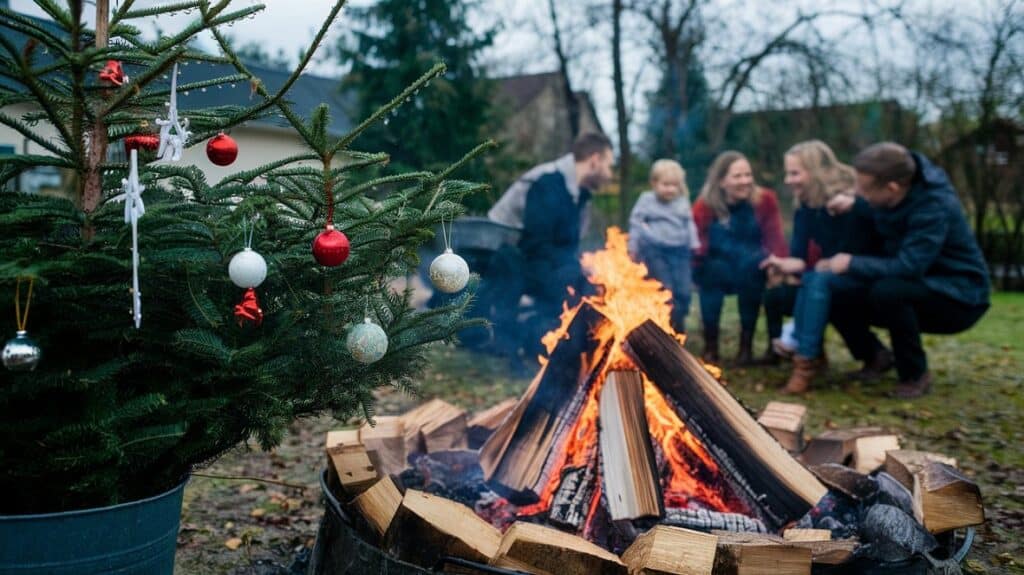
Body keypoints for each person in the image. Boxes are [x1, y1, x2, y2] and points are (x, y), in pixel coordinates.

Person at [818, 142, 990, 398]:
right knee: (836, 288)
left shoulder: (934, 207)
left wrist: (851, 262)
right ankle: (876, 356)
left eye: (863, 189)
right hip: (923, 283)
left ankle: (914, 374)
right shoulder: (897, 193)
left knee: (888, 291)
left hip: (959, 295)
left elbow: (909, 266)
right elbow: (886, 207)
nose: (858, 192)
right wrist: (854, 203)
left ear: (893, 187)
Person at [759, 140, 882, 393]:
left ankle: (804, 361)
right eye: (788, 173)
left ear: (815, 172)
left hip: (871, 272)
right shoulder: (805, 208)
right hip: (831, 277)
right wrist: (780, 264)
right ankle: (806, 351)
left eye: (795, 173)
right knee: (808, 280)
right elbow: (800, 258)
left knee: (817, 280)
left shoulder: (855, 197)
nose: (788, 180)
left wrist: (857, 204)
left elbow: (887, 226)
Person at [480, 133, 615, 359]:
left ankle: (579, 347)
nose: (610, 174)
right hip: (512, 258)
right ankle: (532, 339)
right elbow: (536, 243)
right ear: (594, 160)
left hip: (545, 263)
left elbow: (567, 245)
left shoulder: (580, 195)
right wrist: (574, 269)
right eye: (609, 165)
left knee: (592, 284)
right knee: (574, 283)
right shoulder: (547, 182)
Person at [692, 151, 787, 364]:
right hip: (717, 267)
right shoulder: (705, 205)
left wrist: (776, 264)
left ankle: (746, 348)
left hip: (751, 264)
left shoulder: (765, 200)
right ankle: (711, 347)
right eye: (737, 176)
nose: (745, 181)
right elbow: (696, 242)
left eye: (748, 175)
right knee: (712, 273)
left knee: (752, 269)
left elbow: (775, 237)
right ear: (721, 181)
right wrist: (694, 270)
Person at [628, 159, 701, 334]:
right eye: (665, 184)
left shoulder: (682, 202)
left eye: (675, 185)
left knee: (683, 292)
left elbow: (689, 223)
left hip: (680, 251)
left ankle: (679, 325)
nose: (670, 189)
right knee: (666, 289)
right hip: (655, 250)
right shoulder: (647, 200)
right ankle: (666, 329)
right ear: (654, 183)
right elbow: (636, 223)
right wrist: (633, 247)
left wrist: (694, 243)